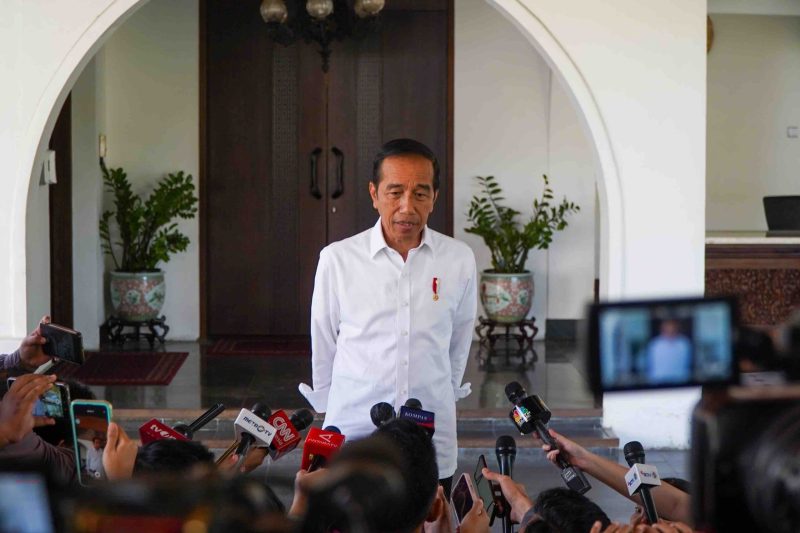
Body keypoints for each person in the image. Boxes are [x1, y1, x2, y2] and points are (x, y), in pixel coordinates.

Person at [299, 138, 478, 494]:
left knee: (430, 518)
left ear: (435, 197)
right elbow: (323, 340)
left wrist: (445, 387)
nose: (407, 207)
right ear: (373, 193)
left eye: (420, 193)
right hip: (354, 429)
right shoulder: (338, 259)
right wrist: (328, 401)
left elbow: (459, 339)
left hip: (431, 430)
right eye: (394, 192)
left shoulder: (458, 259)